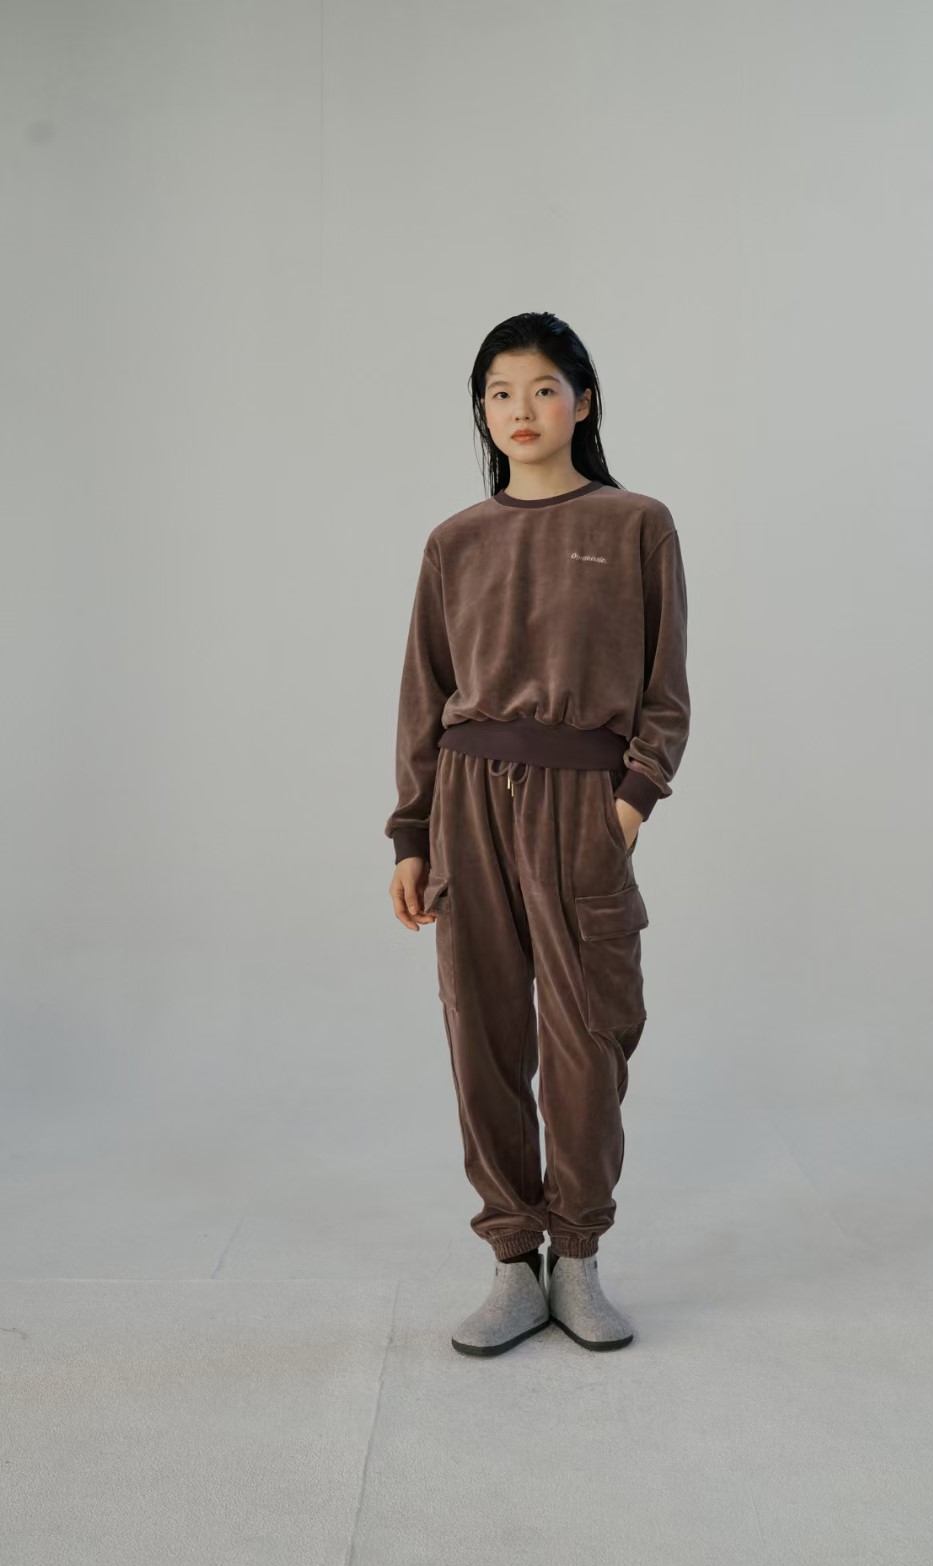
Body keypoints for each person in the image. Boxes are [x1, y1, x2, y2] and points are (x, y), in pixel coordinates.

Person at [384, 311, 691, 1356]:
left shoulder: (638, 523)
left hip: (583, 806)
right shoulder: (454, 542)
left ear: (583, 400)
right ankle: (514, 1261)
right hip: (467, 801)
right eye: (500, 392)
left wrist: (626, 805)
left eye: (544, 388)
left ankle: (581, 1256)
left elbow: (666, 694)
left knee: (589, 1033)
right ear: (482, 411)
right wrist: (411, 834)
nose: (522, 409)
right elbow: (424, 696)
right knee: (481, 1030)